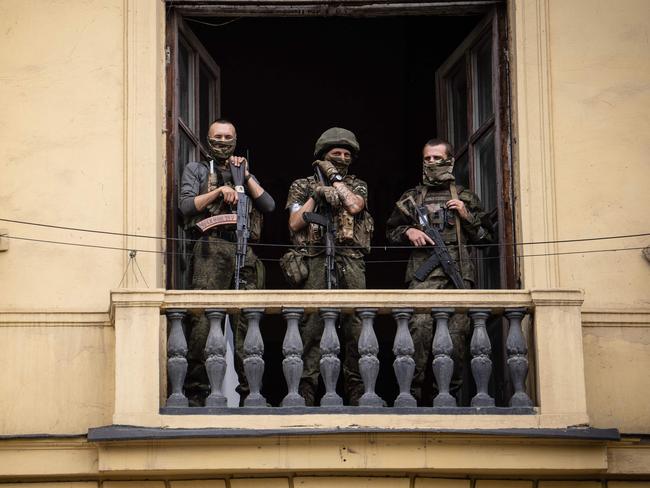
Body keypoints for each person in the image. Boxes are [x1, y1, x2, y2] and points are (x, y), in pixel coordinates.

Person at [385, 138, 492, 405]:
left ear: (449, 161)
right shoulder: (412, 198)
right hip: (422, 280)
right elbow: (390, 232)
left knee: (455, 343)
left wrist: (466, 216)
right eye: (427, 158)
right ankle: (414, 399)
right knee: (417, 337)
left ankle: (447, 399)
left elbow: (485, 238)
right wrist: (409, 231)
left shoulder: (465, 197)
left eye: (437, 158)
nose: (431, 163)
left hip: (457, 280)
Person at [179, 118, 275, 406]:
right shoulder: (196, 170)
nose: (223, 141)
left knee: (248, 322)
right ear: (208, 140)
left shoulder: (243, 171)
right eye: (217, 136)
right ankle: (197, 392)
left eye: (228, 137)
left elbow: (268, 205)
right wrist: (219, 191)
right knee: (204, 322)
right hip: (211, 247)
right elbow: (185, 206)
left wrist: (243, 176)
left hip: (243, 249)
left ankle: (252, 393)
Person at [284, 127, 374, 406]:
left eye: (347, 154)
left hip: (350, 262)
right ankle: (306, 390)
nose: (343, 157)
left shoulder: (357, 185)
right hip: (314, 261)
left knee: (355, 328)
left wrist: (335, 180)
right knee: (310, 327)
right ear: (323, 155)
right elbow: (295, 222)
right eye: (336, 154)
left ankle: (358, 390)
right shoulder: (301, 185)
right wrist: (317, 193)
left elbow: (355, 206)